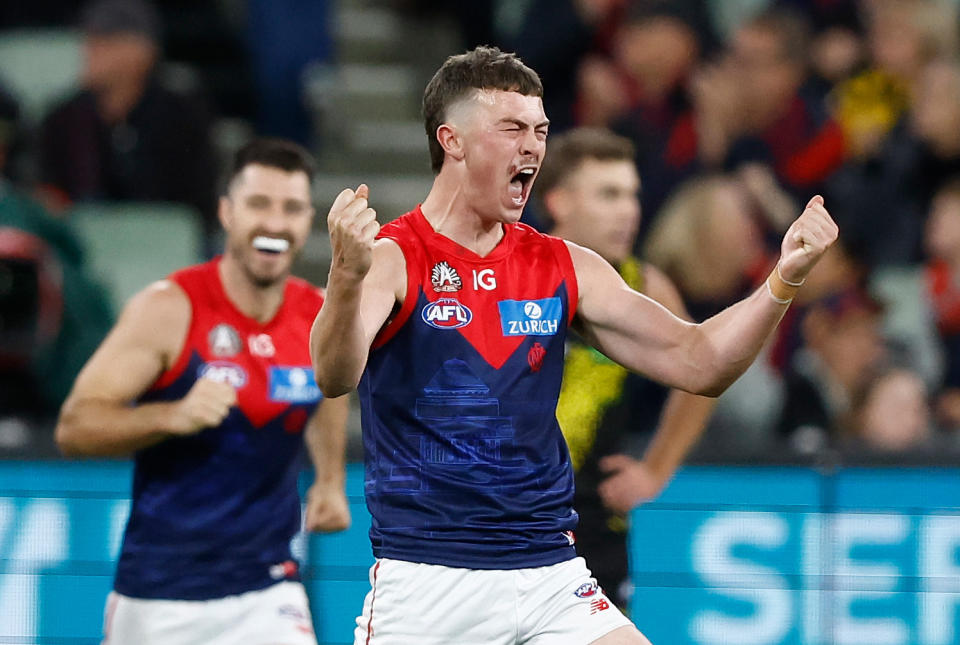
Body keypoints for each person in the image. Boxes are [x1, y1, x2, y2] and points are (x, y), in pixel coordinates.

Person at [310, 46, 837, 645]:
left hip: (551, 574)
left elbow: (700, 361)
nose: (532, 146)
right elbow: (334, 374)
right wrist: (345, 279)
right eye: (511, 128)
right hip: (430, 581)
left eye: (539, 129)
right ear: (451, 140)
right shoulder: (392, 258)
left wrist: (783, 279)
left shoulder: (564, 266)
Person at [55, 138, 350, 645]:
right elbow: (74, 427)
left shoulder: (317, 317)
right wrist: (171, 416)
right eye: (259, 204)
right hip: (160, 599)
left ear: (308, 221)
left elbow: (331, 386)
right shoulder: (170, 309)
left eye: (292, 208)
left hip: (269, 591)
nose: (275, 224)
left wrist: (329, 478)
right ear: (226, 213)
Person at [534, 126, 716, 610]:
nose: (629, 211)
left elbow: (702, 374)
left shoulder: (642, 283)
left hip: (593, 528)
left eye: (632, 194)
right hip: (504, 520)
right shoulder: (514, 272)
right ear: (559, 202)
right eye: (609, 194)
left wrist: (656, 470)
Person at [38, 0, 217, 230]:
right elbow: (48, 197)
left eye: (105, 41)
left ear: (142, 51)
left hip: (162, 246)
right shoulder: (62, 120)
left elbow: (197, 205)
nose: (89, 50)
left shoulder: (182, 116)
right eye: (89, 40)